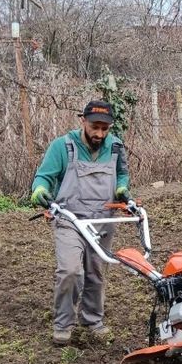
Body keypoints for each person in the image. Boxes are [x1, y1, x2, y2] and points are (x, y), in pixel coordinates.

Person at [31, 100, 131, 345]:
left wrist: (121, 188)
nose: (99, 134)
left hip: (103, 219)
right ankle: (63, 324)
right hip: (70, 219)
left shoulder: (116, 146)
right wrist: (39, 190)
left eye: (104, 129)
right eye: (95, 127)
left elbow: (122, 173)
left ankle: (92, 320)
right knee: (70, 270)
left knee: (96, 272)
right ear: (83, 121)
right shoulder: (63, 146)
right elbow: (44, 177)